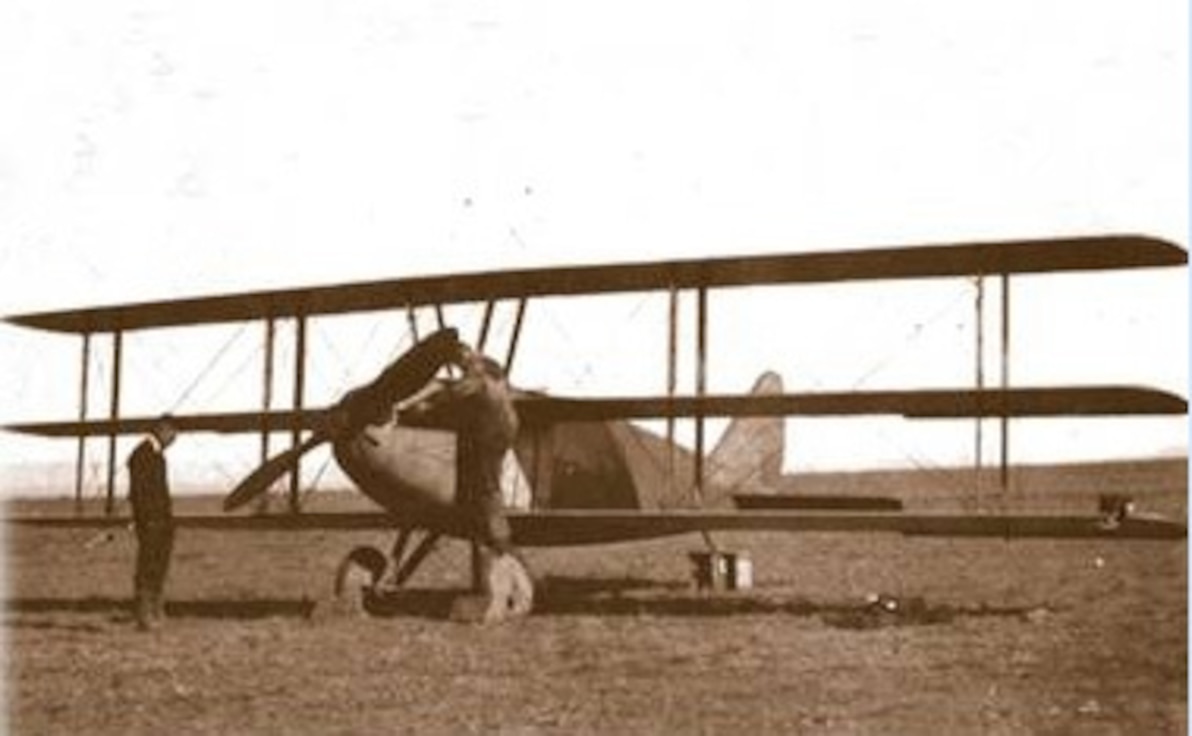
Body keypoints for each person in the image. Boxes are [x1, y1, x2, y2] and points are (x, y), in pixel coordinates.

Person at [127, 415, 178, 630]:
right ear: (162, 430)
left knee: (158, 565)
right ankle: (145, 615)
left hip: (159, 521)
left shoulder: (151, 454)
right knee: (149, 566)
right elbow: (141, 492)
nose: (174, 438)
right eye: (173, 433)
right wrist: (148, 519)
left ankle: (154, 611)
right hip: (152, 521)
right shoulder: (144, 454)